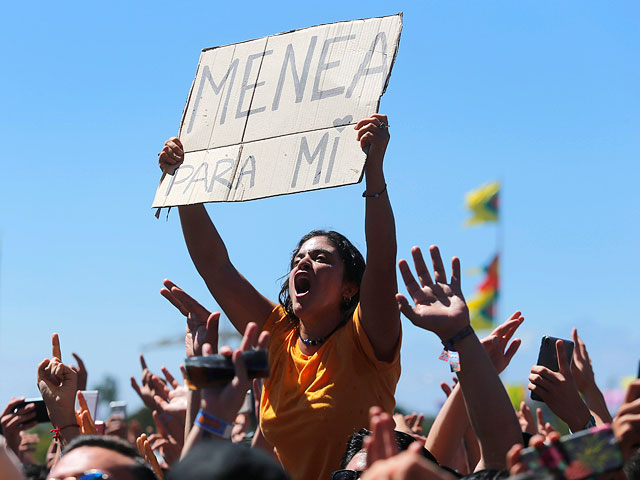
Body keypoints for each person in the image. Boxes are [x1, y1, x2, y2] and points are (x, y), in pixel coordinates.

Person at [158, 114, 402, 480]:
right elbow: (217, 268)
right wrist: (184, 183)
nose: (304, 262)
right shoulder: (277, 336)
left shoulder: (366, 340)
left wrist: (375, 169)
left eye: (321, 258)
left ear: (351, 287)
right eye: (298, 258)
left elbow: (381, 261)